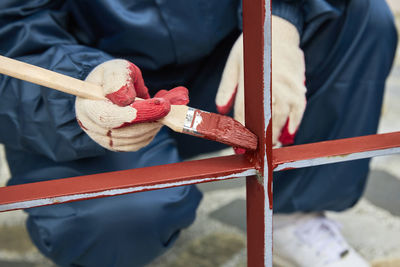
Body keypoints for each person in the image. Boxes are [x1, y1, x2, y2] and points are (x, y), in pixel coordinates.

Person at [0, 0, 396, 267]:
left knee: (360, 16)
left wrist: (281, 18)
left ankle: (296, 211)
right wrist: (76, 97)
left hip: (225, 57)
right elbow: (13, 28)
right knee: (119, 219)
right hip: (92, 84)